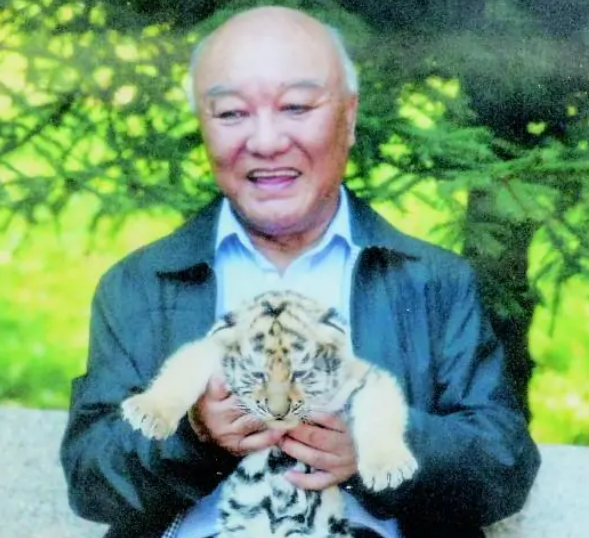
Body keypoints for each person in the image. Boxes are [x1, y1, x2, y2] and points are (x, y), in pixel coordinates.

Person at [60, 6, 540, 538]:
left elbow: (505, 465)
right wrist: (191, 437)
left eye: (295, 107)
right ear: (203, 125)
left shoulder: (434, 282)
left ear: (349, 118)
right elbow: (88, 479)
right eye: (231, 113)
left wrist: (376, 446)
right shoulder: (141, 284)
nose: (265, 142)